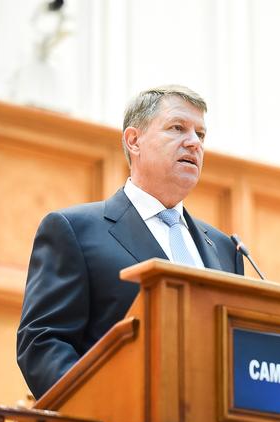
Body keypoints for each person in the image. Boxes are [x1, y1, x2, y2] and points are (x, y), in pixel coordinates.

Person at [16, 85, 244, 398]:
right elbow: (43, 342)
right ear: (134, 141)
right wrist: (100, 408)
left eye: (201, 134)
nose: (194, 142)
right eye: (177, 128)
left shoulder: (225, 249)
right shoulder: (75, 230)